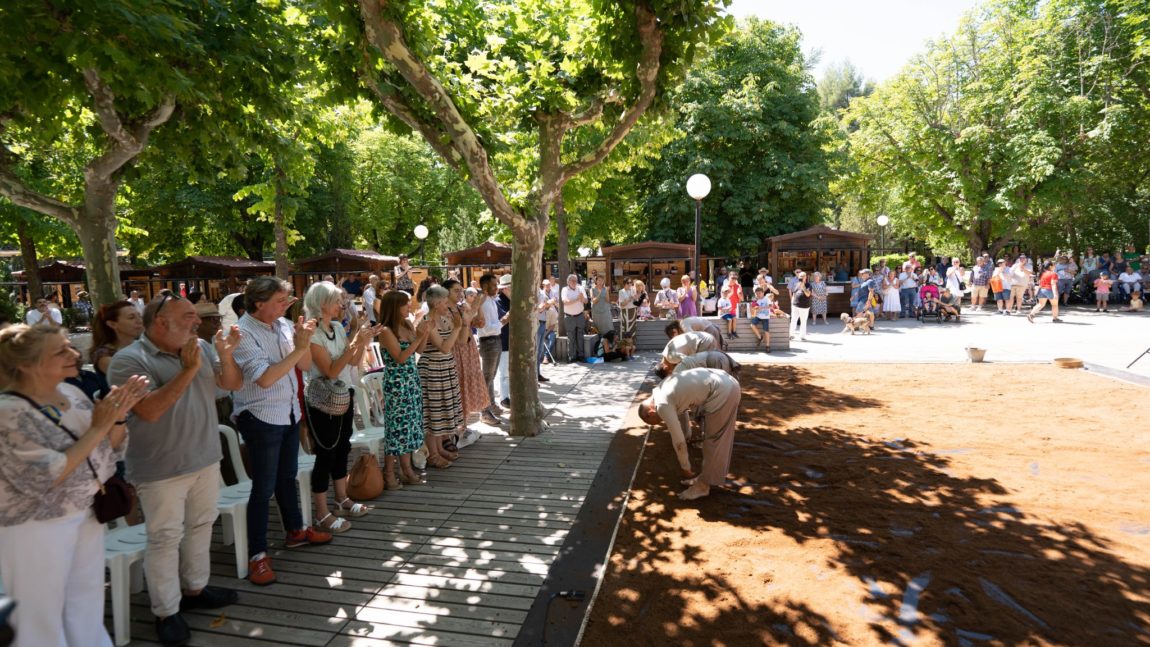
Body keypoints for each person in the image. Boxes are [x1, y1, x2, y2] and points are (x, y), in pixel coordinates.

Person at [107, 293, 245, 644]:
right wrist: (187, 370)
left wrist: (225, 356)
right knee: (165, 538)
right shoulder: (128, 360)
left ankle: (195, 589)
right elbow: (150, 411)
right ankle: (166, 611)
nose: (196, 322)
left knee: (201, 526)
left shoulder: (198, 346)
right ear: (160, 322)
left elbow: (230, 385)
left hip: (205, 457)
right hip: (161, 468)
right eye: (187, 316)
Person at [0, 325, 149, 647]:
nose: (74, 354)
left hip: (86, 514)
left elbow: (108, 453)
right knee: (39, 618)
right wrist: (99, 427)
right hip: (34, 527)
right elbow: (45, 477)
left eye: (70, 346)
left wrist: (119, 417)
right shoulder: (7, 412)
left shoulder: (72, 393)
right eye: (61, 351)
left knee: (86, 603)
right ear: (27, 364)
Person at [231, 277, 329, 586]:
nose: (286, 305)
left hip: (288, 412)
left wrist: (303, 342)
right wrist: (297, 347)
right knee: (263, 487)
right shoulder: (242, 332)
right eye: (280, 300)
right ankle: (257, 555)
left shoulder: (284, 325)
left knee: (287, 477)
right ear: (259, 303)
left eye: (287, 300)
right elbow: (265, 378)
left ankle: (295, 531)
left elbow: (305, 365)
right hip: (261, 415)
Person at [302, 282, 379, 533]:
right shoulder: (312, 333)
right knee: (325, 454)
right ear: (322, 303)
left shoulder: (336, 326)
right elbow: (332, 370)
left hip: (344, 396)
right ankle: (322, 512)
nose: (342, 305)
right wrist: (354, 341)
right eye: (337, 300)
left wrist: (361, 341)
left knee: (343, 448)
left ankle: (342, 498)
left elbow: (353, 361)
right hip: (322, 401)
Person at [637, 368, 741, 500]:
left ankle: (702, 487)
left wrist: (685, 467)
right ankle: (704, 479)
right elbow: (683, 413)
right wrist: (687, 435)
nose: (660, 422)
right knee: (712, 440)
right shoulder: (660, 389)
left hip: (723, 391)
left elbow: (678, 440)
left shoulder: (661, 405)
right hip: (725, 382)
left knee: (713, 442)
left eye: (655, 422)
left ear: (650, 413)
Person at [377, 290, 432, 484]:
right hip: (397, 383)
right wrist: (418, 337)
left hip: (411, 380)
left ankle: (406, 469)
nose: (409, 306)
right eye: (405, 303)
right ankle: (390, 471)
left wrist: (424, 333)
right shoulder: (384, 330)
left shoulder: (407, 324)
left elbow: (420, 350)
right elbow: (400, 358)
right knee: (397, 427)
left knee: (410, 426)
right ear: (394, 307)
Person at [417, 286, 466, 469]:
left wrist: (464, 324)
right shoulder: (427, 321)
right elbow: (444, 347)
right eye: (445, 302)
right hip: (432, 370)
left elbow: (460, 342)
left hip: (445, 368)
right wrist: (457, 327)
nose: (448, 305)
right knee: (433, 413)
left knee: (442, 412)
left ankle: (438, 449)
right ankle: (433, 454)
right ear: (437, 304)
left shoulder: (445, 319)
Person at [446, 280, 489, 417]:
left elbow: (480, 323)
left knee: (467, 387)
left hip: (468, 350)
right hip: (456, 350)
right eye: (456, 290)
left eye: (461, 290)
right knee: (459, 387)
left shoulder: (461, 308)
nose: (460, 293)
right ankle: (460, 428)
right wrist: (476, 305)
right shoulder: (446, 311)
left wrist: (479, 306)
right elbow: (458, 334)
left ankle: (464, 426)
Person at [476, 274, 504, 425]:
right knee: (487, 377)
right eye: (494, 285)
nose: (497, 287)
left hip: (495, 339)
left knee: (491, 376)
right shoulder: (483, 303)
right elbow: (485, 328)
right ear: (485, 286)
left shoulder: (490, 300)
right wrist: (503, 322)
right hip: (489, 341)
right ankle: (484, 411)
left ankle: (491, 405)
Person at [90, 300, 144, 378]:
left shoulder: (143, 345)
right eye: (131, 318)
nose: (139, 321)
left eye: (140, 316)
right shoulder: (104, 356)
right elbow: (136, 378)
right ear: (112, 324)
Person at [561, 274, 588, 363]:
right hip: (569, 316)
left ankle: (581, 355)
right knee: (571, 337)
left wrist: (582, 298)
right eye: (572, 280)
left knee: (580, 336)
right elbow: (565, 302)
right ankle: (571, 356)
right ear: (568, 282)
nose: (574, 282)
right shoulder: (564, 290)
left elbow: (586, 301)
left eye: (575, 280)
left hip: (580, 315)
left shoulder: (580, 288)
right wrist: (577, 299)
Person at [495, 274, 513, 408]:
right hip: (504, 341)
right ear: (506, 288)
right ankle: (504, 398)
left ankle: (511, 396)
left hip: (515, 341)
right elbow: (502, 321)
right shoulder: (498, 302)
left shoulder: (513, 300)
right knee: (505, 372)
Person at [535, 279, 555, 382]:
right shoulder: (532, 291)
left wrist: (547, 304)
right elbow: (538, 308)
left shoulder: (540, 292)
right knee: (536, 350)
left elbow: (547, 306)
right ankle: (534, 376)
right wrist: (543, 306)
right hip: (537, 322)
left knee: (540, 351)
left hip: (543, 322)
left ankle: (537, 374)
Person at [789, 270, 813, 339]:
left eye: (802, 276)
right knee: (793, 320)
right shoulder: (796, 284)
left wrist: (803, 287)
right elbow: (794, 293)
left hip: (804, 306)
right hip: (795, 305)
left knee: (803, 321)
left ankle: (802, 336)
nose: (801, 277)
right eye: (800, 276)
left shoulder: (808, 285)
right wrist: (792, 302)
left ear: (806, 277)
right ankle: (791, 335)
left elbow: (808, 294)